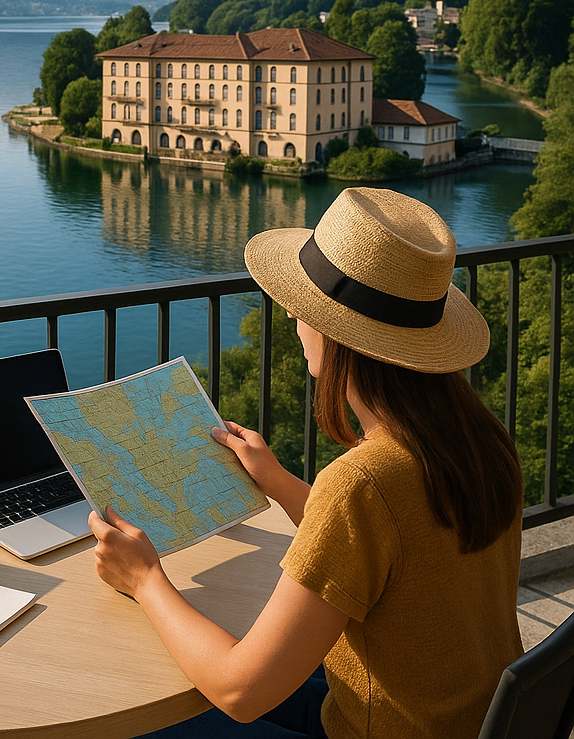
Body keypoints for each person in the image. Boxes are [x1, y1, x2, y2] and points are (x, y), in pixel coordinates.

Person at [89, 187, 524, 739]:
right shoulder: (481, 441)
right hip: (455, 718)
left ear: (341, 336)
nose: (293, 313)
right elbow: (385, 542)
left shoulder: (363, 482)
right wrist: (276, 482)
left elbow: (240, 691)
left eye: (304, 306)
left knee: (141, 726)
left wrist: (145, 578)